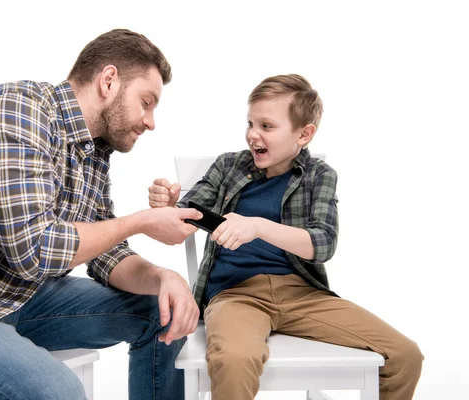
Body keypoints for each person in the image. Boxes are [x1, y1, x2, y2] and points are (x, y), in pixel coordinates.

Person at [0, 29, 203, 400]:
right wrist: (140, 221)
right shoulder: (18, 109)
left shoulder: (90, 151)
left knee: (165, 312)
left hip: (13, 295)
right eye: (146, 101)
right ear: (109, 81)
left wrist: (161, 277)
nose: (150, 121)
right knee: (58, 391)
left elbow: (105, 251)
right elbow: (34, 251)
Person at [148, 74, 423, 400]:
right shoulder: (229, 166)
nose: (253, 134)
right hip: (236, 294)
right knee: (235, 360)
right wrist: (168, 208)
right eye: (250, 123)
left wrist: (258, 226)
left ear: (304, 134)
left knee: (405, 355)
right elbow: (188, 221)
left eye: (267, 126)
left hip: (303, 296)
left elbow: (323, 244)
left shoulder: (319, 176)